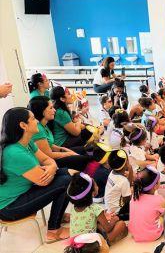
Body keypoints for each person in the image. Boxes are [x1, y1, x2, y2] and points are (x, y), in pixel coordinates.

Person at [0, 107, 73, 243]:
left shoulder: (27, 143)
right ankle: (53, 231)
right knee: (66, 180)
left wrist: (51, 167)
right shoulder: (14, 153)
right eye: (33, 119)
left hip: (21, 193)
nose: (37, 121)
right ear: (23, 125)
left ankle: (59, 216)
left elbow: (47, 160)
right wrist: (52, 168)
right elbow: (43, 181)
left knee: (66, 173)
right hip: (9, 207)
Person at [28, 96, 92, 171]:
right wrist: (69, 153)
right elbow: (49, 155)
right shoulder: (38, 129)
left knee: (87, 149)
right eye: (51, 108)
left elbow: (50, 145)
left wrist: (64, 150)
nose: (54, 110)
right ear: (42, 111)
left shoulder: (44, 125)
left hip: (54, 153)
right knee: (85, 158)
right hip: (50, 163)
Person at [67, 172, 128, 245]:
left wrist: (103, 216)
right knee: (121, 224)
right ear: (92, 193)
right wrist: (114, 219)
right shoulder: (95, 208)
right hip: (91, 246)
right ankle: (107, 242)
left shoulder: (74, 208)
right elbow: (108, 228)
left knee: (98, 224)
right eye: (95, 185)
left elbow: (88, 220)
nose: (97, 186)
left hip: (75, 244)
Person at [129, 165, 165, 242]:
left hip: (135, 234)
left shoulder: (134, 196)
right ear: (155, 186)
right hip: (152, 235)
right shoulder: (158, 199)